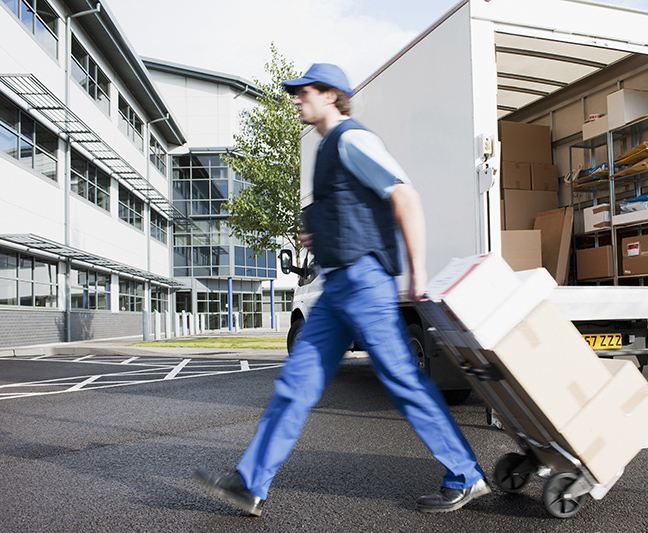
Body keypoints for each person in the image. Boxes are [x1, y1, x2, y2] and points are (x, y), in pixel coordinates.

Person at [193, 63, 488, 517]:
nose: (295, 98)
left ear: (331, 95)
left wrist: (416, 272)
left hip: (364, 283)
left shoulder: (352, 139)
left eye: (303, 91)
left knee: (403, 380)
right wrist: (321, 235)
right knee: (296, 382)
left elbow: (405, 196)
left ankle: (466, 474)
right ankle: (250, 483)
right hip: (336, 288)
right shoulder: (328, 148)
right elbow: (353, 211)